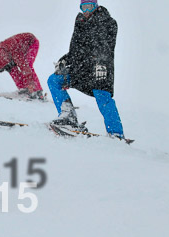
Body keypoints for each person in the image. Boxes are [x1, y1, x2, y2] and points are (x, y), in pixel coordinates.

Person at [48, 0, 124, 139]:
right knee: (54, 80)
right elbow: (76, 49)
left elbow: (105, 47)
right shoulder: (80, 22)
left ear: (96, 6)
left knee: (102, 95)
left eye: (90, 6)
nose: (87, 11)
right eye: (84, 7)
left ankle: (116, 133)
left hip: (99, 68)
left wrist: (97, 61)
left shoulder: (108, 22)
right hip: (81, 70)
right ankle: (68, 117)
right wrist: (65, 61)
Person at [0, 33, 44, 100]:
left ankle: (37, 91)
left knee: (27, 65)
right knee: (12, 69)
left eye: (6, 65)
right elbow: (6, 64)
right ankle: (24, 89)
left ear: (5, 57)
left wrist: (30, 85)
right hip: (19, 48)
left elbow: (25, 68)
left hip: (31, 42)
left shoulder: (15, 52)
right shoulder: (0, 51)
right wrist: (8, 67)